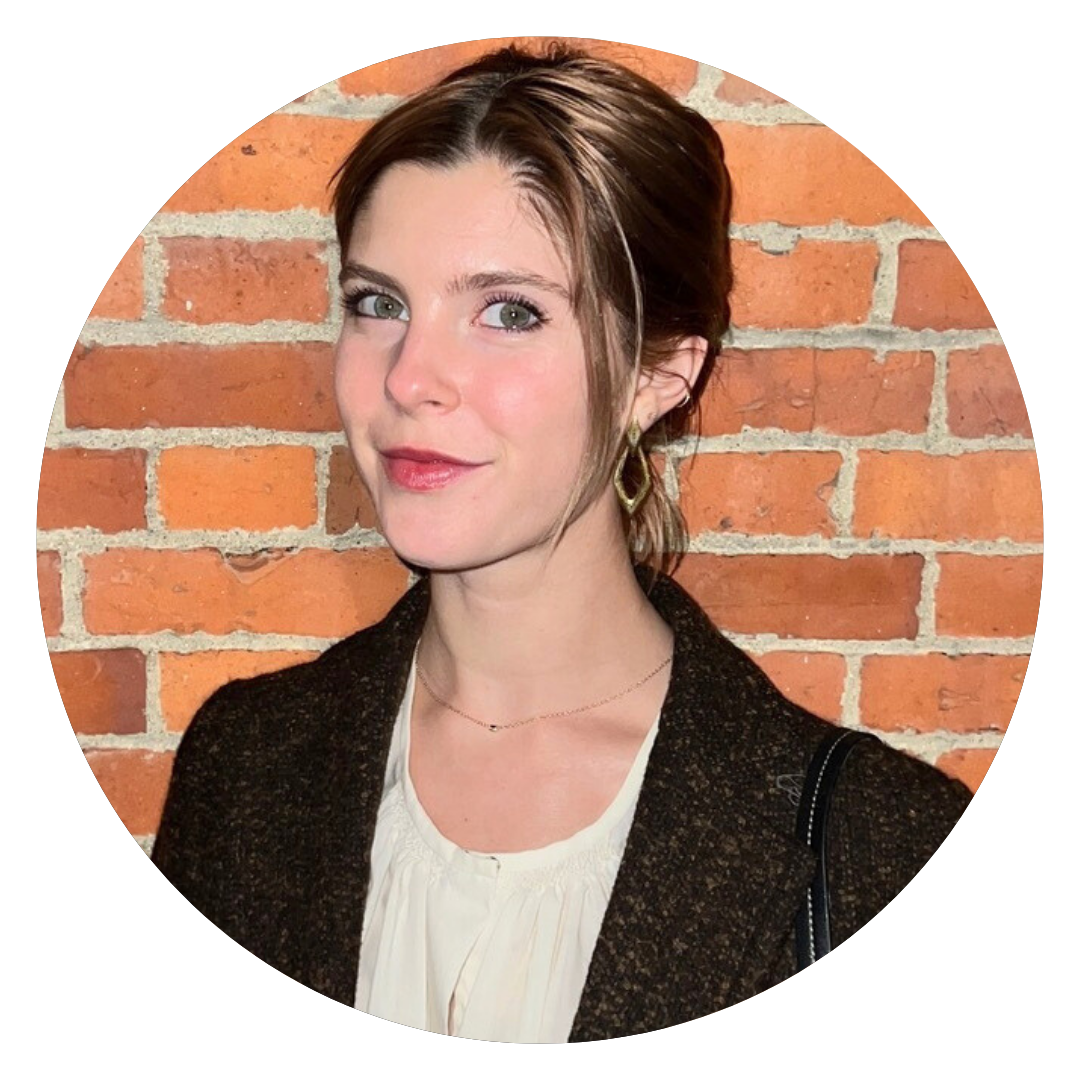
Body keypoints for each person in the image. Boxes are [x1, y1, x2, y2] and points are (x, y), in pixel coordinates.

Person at [151, 43, 972, 1043]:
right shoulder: (246, 768)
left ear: (658, 373)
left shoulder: (877, 852)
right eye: (379, 303)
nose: (411, 377)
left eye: (508, 312)